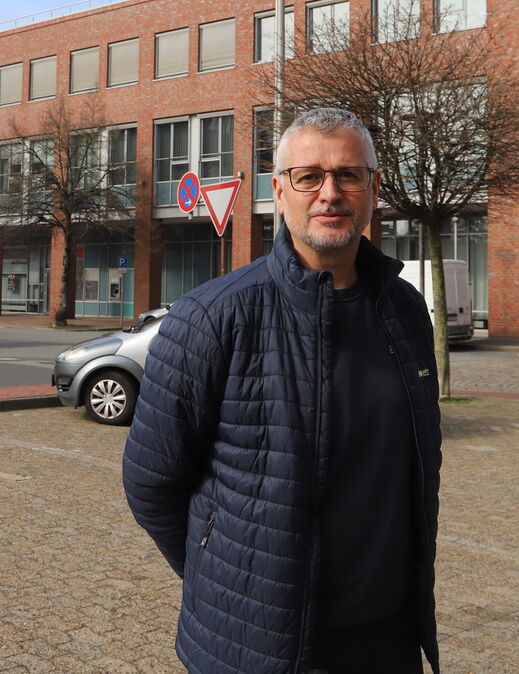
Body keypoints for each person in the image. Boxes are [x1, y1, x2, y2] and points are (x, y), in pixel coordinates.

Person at [122, 108, 442, 674]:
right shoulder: (212, 318)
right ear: (279, 190)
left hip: (387, 639)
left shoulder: (405, 309)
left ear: (374, 187)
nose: (330, 193)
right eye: (308, 176)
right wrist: (227, 578)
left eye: (348, 175)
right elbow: (153, 483)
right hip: (257, 646)